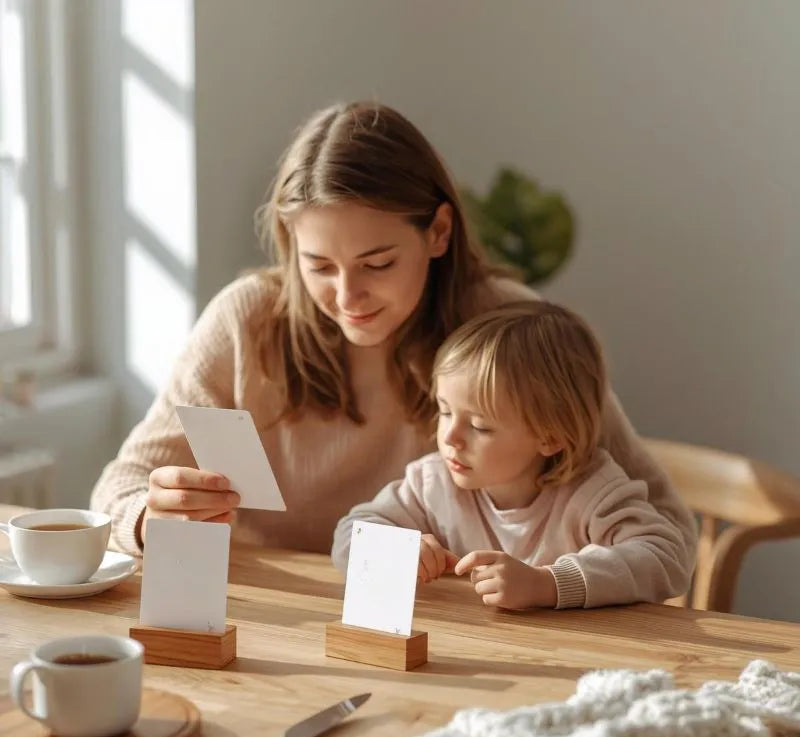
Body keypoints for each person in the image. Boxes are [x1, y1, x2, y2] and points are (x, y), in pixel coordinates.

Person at [91, 100, 693, 558]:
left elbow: (665, 522)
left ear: (438, 233)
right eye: (318, 266)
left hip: (449, 635)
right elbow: (118, 488)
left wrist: (557, 586)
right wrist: (149, 517)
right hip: (274, 624)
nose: (346, 296)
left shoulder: (503, 326)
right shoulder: (246, 322)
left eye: (377, 264)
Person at [332, 301, 695, 609]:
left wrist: (548, 584)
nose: (450, 437)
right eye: (444, 411)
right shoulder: (432, 483)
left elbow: (666, 557)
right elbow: (349, 534)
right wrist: (393, 550)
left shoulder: (592, 492)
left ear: (550, 437)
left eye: (479, 426)